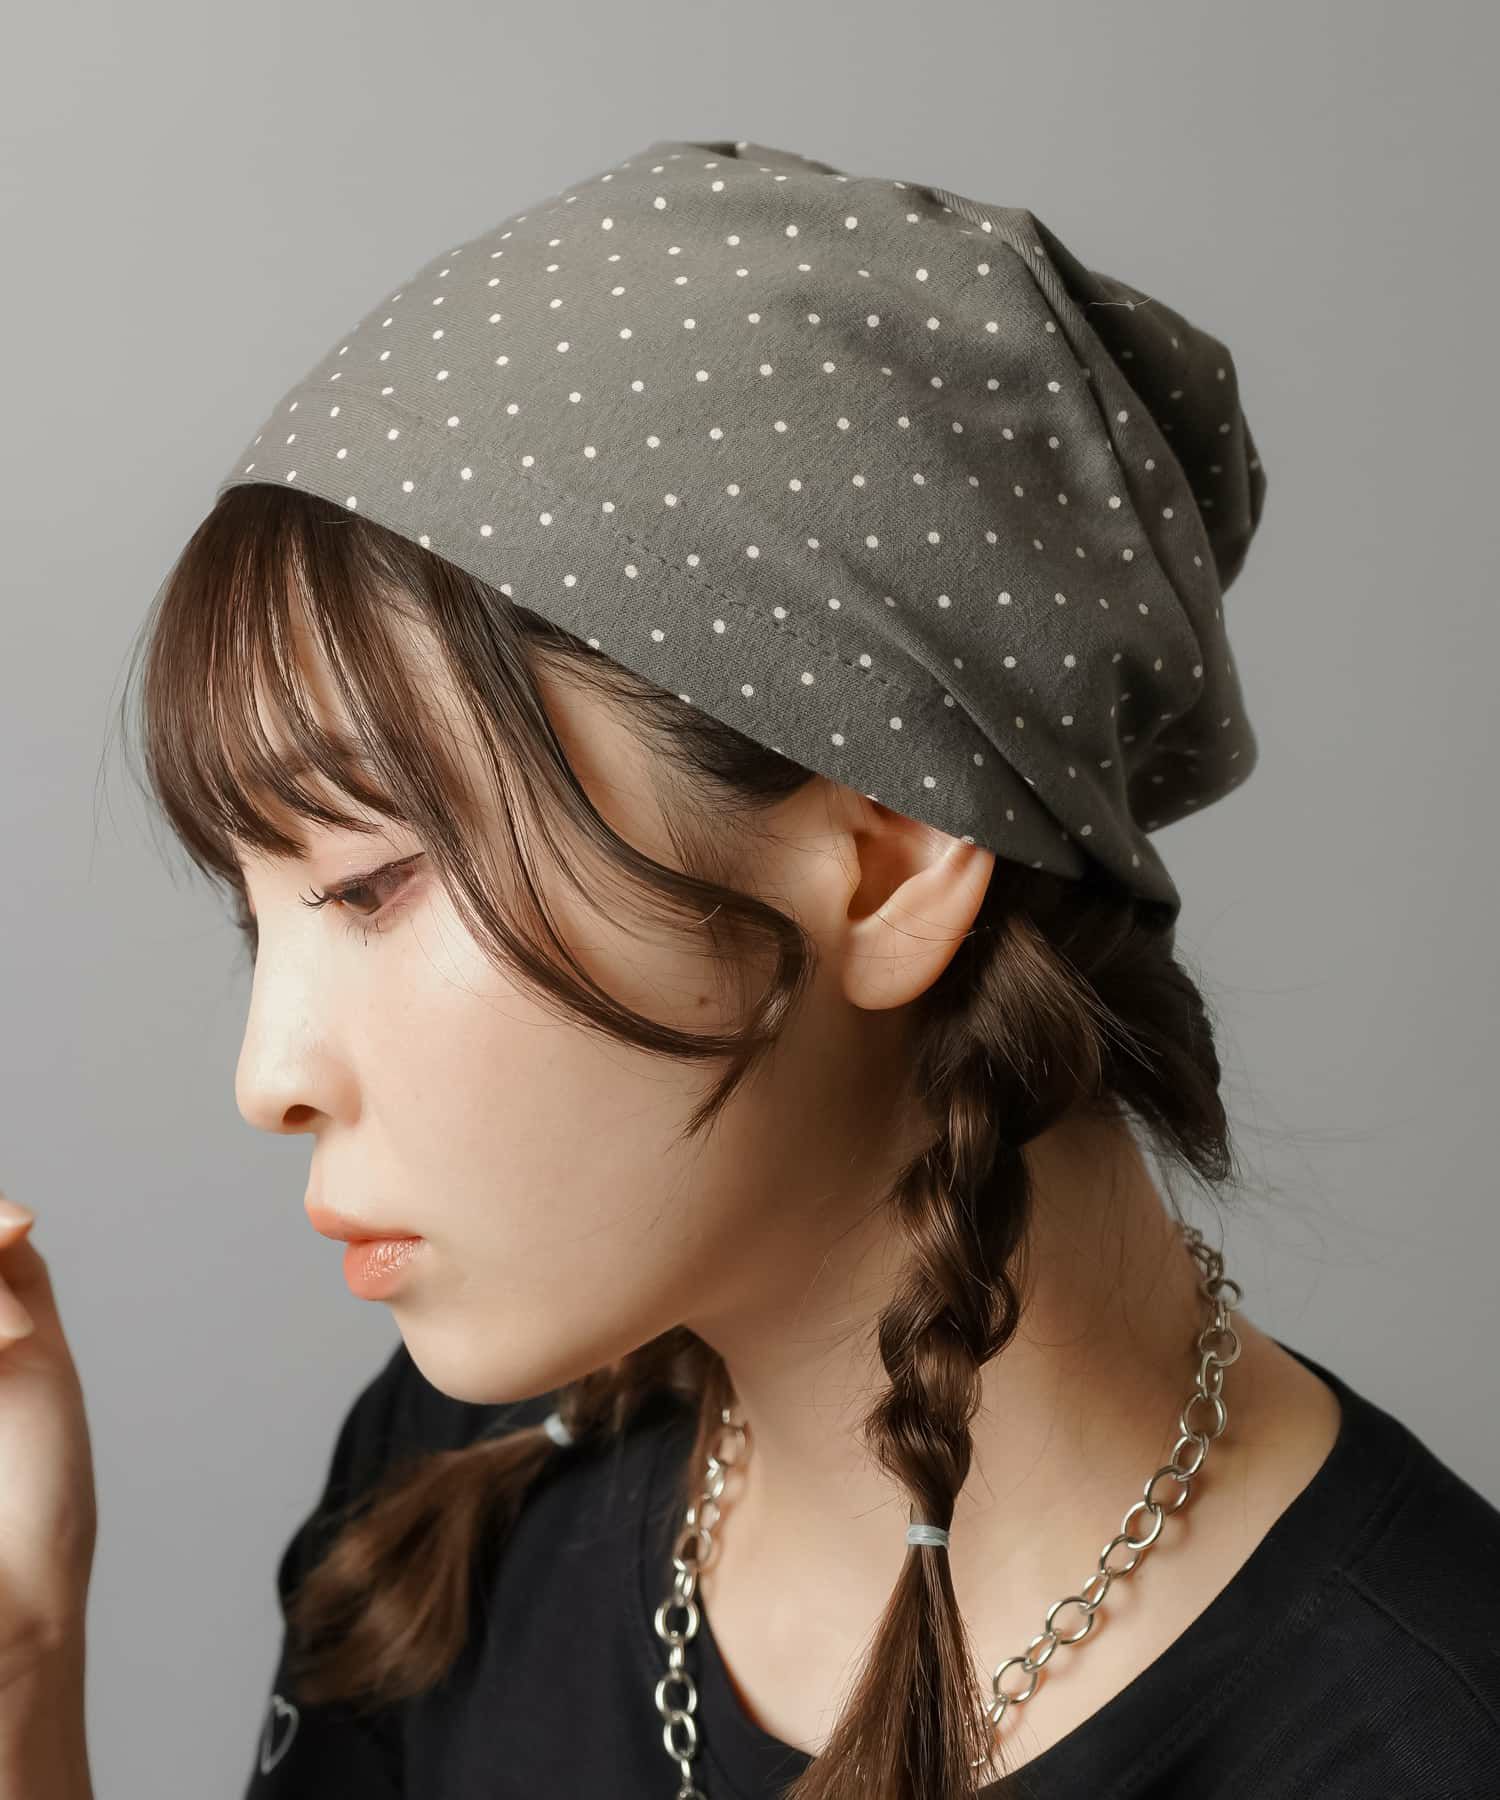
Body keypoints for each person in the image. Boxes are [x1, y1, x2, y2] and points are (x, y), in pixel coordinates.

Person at [2, 137, 1496, 1800]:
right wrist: (22, 1673)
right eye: (254, 914)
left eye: (371, 883)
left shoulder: (1417, 1742)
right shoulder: (464, 1485)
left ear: (890, 858)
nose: (267, 1074)